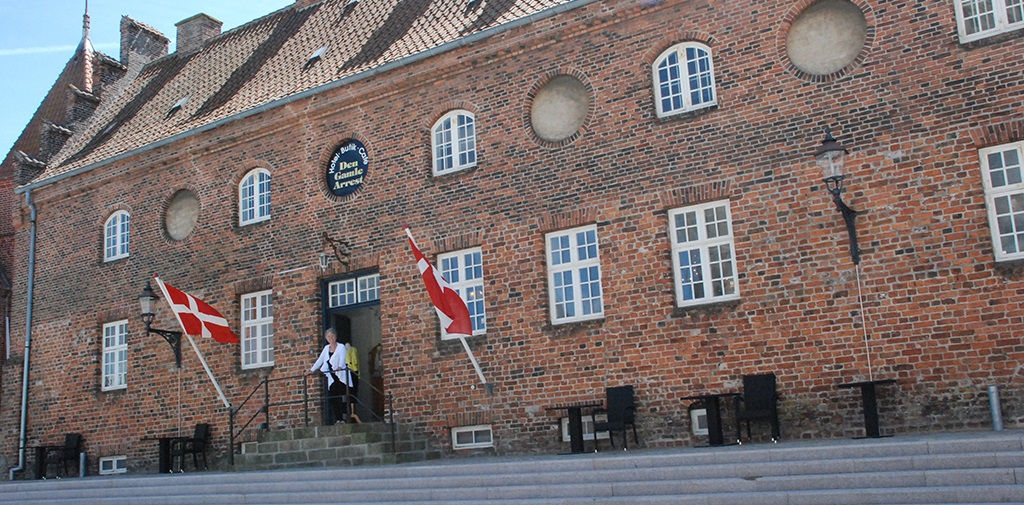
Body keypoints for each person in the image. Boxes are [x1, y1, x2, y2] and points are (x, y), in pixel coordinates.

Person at [306, 328, 352, 424]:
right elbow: (320, 360)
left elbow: (342, 358)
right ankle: (338, 419)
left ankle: (344, 418)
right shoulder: (326, 348)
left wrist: (340, 367)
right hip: (332, 377)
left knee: (342, 397)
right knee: (334, 398)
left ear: (336, 337)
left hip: (340, 376)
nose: (331, 338)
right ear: (326, 338)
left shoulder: (341, 347)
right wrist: (311, 370)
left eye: (332, 336)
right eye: (328, 336)